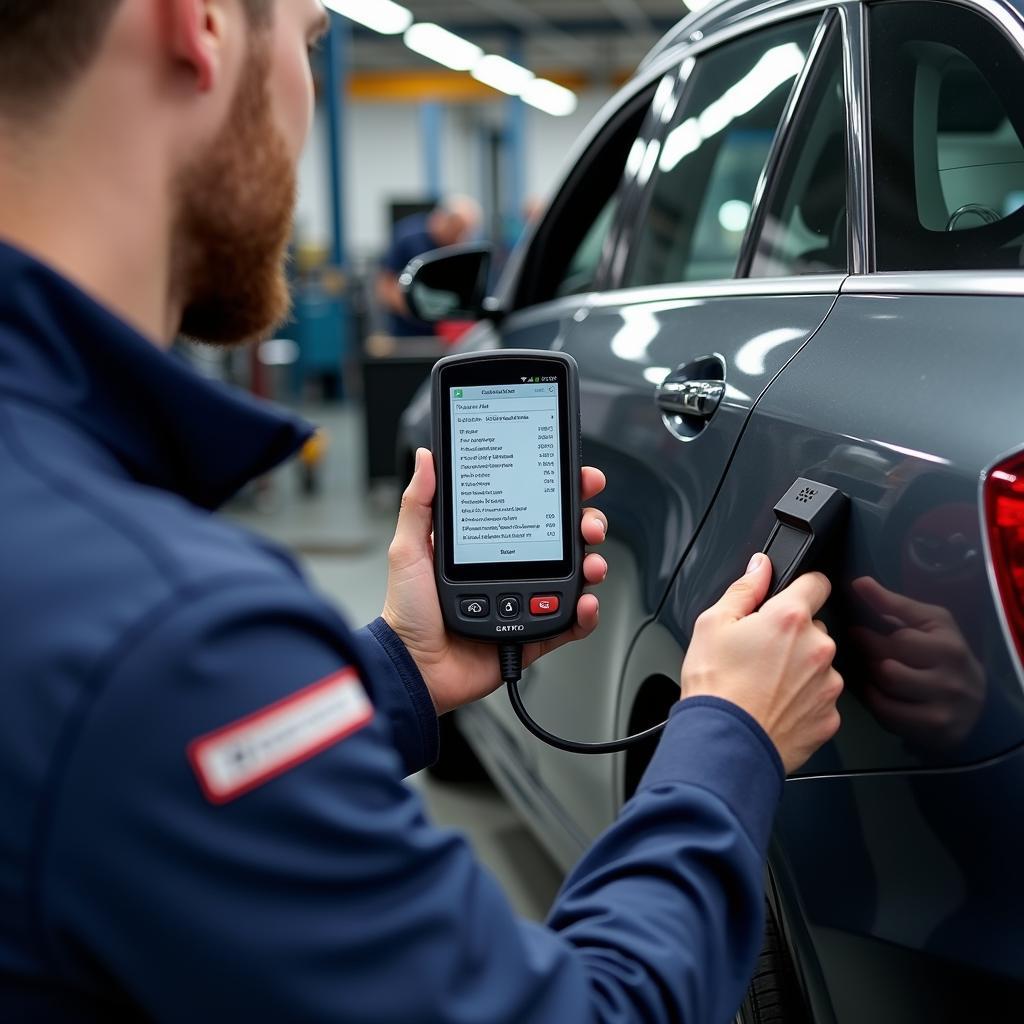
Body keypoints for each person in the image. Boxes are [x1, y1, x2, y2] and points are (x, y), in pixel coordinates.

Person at [0, 2, 843, 1021]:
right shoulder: (162, 634)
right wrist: (728, 738)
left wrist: (397, 672)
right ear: (201, 26)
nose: (309, 96)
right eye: (312, 42)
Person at [377, 196, 483, 338]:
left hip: (444, 334)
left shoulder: (458, 247)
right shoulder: (408, 238)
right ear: (444, 220)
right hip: (408, 334)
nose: (459, 238)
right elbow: (386, 286)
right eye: (457, 230)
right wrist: (419, 310)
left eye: (464, 233)